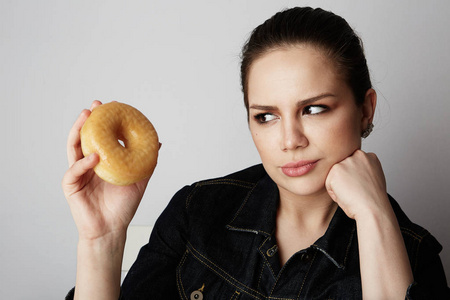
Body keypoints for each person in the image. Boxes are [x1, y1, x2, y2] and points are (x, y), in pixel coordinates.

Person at [63, 7, 450, 299]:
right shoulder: (197, 210)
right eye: (266, 116)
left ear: (365, 108)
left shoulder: (412, 256)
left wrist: (374, 214)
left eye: (314, 109)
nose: (289, 139)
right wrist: (102, 240)